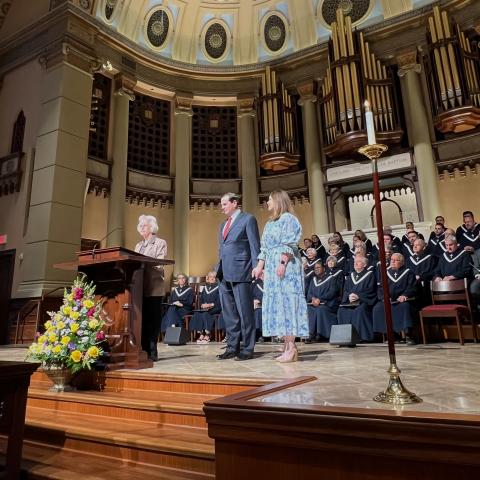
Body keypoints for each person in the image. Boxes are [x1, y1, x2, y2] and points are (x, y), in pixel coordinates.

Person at [252, 189, 309, 363]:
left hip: (287, 266)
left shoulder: (289, 219)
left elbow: (290, 243)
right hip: (272, 266)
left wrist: (282, 263)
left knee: (288, 303)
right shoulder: (270, 223)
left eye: (269, 200)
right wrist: (260, 266)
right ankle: (286, 345)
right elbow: (264, 248)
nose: (267, 203)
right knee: (278, 304)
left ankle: (292, 348)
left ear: (278, 201)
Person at [216, 193, 260, 361]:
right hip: (223, 273)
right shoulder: (222, 225)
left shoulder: (248, 219)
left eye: (225, 203)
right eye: (222, 204)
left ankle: (248, 348)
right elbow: (223, 249)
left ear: (235, 203)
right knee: (230, 314)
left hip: (241, 271)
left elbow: (255, 245)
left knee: (245, 312)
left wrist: (257, 266)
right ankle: (232, 347)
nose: (222, 207)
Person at [134, 214, 167, 362]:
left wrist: (145, 263)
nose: (141, 228)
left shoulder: (160, 242)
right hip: (139, 287)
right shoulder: (138, 246)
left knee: (153, 320)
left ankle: (152, 351)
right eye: (140, 225)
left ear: (152, 227)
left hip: (154, 286)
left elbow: (160, 263)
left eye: (144, 225)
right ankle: (142, 349)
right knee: (142, 319)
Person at [373, 253, 418, 344]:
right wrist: (384, 297)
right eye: (391, 260)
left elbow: (412, 287)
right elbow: (381, 288)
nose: (392, 262)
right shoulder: (386, 273)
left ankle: (409, 335)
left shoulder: (408, 272)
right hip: (389, 299)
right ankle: (392, 335)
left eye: (396, 260)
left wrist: (405, 295)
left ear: (402, 262)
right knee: (378, 308)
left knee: (404, 307)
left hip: (402, 300)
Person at [338, 256, 377, 342]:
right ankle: (345, 338)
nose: (355, 263)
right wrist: (349, 296)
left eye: (358, 262)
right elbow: (346, 289)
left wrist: (358, 296)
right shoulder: (350, 275)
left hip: (363, 301)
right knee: (342, 310)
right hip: (350, 301)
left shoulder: (370, 275)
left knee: (359, 310)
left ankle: (362, 337)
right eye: (355, 261)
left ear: (365, 264)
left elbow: (371, 290)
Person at [306, 262, 342, 343]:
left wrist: (320, 299)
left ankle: (321, 335)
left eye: (318, 267)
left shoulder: (331, 278)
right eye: (315, 268)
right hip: (315, 303)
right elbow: (309, 293)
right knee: (309, 309)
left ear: (324, 268)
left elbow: (332, 292)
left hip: (327, 304)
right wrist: (313, 298)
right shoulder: (313, 280)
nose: (316, 269)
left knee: (320, 309)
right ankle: (311, 334)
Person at [189, 271, 221, 344]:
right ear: (208, 278)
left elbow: (220, 301)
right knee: (198, 313)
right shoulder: (205, 288)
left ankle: (208, 334)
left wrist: (210, 304)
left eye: (214, 277)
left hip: (216, 307)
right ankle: (201, 334)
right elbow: (201, 299)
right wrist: (202, 305)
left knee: (206, 313)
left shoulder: (219, 287)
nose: (212, 279)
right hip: (205, 307)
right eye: (210, 277)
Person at [252, 274, 265, 342]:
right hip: (257, 306)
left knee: (259, 312)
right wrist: (253, 301)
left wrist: (260, 300)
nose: (262, 275)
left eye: (264, 274)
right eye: (261, 274)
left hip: (266, 305)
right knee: (257, 312)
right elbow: (250, 295)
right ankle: (258, 334)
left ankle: (262, 334)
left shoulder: (270, 283)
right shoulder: (255, 284)